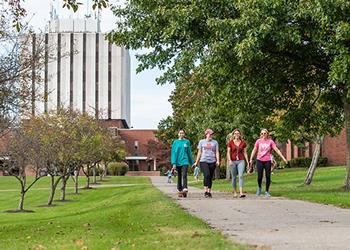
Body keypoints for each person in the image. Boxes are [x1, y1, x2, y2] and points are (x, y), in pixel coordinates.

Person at [249, 129, 288, 197]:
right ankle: (259, 188)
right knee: (259, 177)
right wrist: (251, 159)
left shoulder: (270, 142)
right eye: (262, 133)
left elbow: (277, 150)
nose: (263, 135)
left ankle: (267, 191)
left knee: (268, 176)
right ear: (260, 134)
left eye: (264, 133)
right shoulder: (258, 141)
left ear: (267, 134)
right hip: (259, 160)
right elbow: (254, 150)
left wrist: (283, 158)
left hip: (267, 160)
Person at [194, 128, 220, 198]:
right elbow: (199, 152)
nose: (211, 135)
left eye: (212, 134)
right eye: (210, 134)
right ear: (206, 134)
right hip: (203, 161)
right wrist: (196, 161)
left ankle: (209, 191)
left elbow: (217, 152)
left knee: (210, 177)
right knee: (207, 175)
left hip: (212, 161)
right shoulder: (201, 142)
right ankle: (205, 191)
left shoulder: (215, 142)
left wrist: (218, 160)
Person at [227, 129, 249, 198]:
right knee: (233, 177)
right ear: (233, 135)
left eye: (238, 133)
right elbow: (228, 152)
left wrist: (247, 162)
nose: (237, 135)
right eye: (235, 133)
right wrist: (229, 160)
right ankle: (235, 192)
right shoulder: (230, 142)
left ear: (240, 135)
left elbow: (245, 153)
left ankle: (241, 192)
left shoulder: (243, 143)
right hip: (232, 161)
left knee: (241, 176)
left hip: (241, 160)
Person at [171, 129, 194, 194]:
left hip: (185, 161)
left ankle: (185, 188)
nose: (181, 134)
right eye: (180, 133)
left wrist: (192, 162)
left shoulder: (187, 142)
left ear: (184, 134)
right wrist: (174, 163)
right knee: (179, 175)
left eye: (183, 133)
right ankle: (179, 188)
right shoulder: (175, 142)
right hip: (177, 162)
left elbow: (189, 152)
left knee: (184, 175)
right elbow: (173, 153)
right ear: (178, 134)